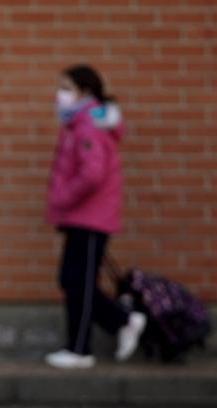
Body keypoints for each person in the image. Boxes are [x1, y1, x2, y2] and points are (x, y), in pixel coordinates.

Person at [45, 64, 146, 370]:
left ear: (84, 92)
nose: (59, 95)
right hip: (82, 217)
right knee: (72, 280)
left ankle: (80, 349)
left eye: (66, 88)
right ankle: (121, 321)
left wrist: (63, 198)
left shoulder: (88, 124)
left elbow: (92, 175)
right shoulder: (80, 123)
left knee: (81, 283)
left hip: (90, 217)